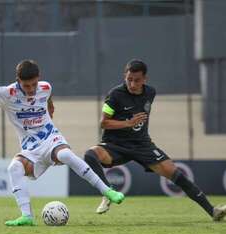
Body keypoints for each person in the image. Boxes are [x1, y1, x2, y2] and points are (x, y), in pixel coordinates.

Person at [0, 59, 125, 226]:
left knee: (65, 155)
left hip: (51, 138)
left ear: (39, 78)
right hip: (30, 148)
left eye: (34, 84)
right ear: (18, 81)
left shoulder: (45, 87)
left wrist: (50, 109)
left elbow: (48, 98)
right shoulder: (6, 93)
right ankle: (26, 216)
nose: (32, 89)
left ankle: (107, 191)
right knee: (14, 168)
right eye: (27, 86)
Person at [84, 59, 226, 222]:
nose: (132, 83)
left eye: (136, 80)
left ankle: (213, 211)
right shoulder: (115, 94)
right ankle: (107, 192)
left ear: (145, 79)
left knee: (176, 174)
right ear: (125, 76)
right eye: (129, 79)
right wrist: (127, 123)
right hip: (115, 145)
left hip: (142, 145)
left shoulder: (150, 93)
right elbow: (103, 122)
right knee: (90, 155)